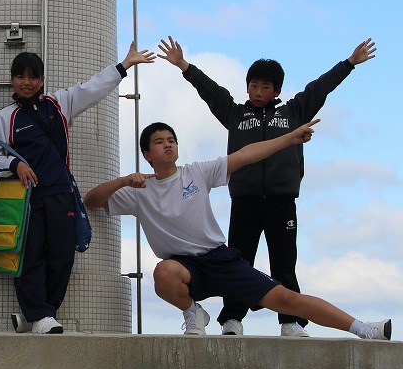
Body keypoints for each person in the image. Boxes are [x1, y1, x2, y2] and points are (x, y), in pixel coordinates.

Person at [84, 121, 391, 340]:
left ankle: (363, 329)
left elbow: (245, 155)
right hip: (184, 268)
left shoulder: (197, 172)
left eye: (172, 140)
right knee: (163, 273)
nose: (168, 144)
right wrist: (123, 181)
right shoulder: (138, 191)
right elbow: (92, 200)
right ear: (147, 154)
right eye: (159, 141)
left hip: (221, 259)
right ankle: (193, 312)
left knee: (287, 299)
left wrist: (289, 139)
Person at [157, 36, 377, 337]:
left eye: (265, 87)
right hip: (244, 201)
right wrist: (184, 65)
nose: (258, 92)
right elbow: (210, 91)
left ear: (277, 91)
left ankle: (290, 322)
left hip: (281, 201)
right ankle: (232, 319)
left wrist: (350, 63)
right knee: (238, 262)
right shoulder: (235, 115)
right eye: (253, 86)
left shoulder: (294, 112)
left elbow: (320, 87)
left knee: (284, 263)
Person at [0, 43, 156, 334]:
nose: (27, 82)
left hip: (61, 193)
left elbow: (92, 88)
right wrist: (15, 165)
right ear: (12, 80)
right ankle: (40, 315)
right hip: (26, 198)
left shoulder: (58, 103)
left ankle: (41, 315)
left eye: (33, 77)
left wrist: (124, 65)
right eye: (20, 76)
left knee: (63, 256)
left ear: (42, 80)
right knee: (30, 256)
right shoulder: (6, 116)